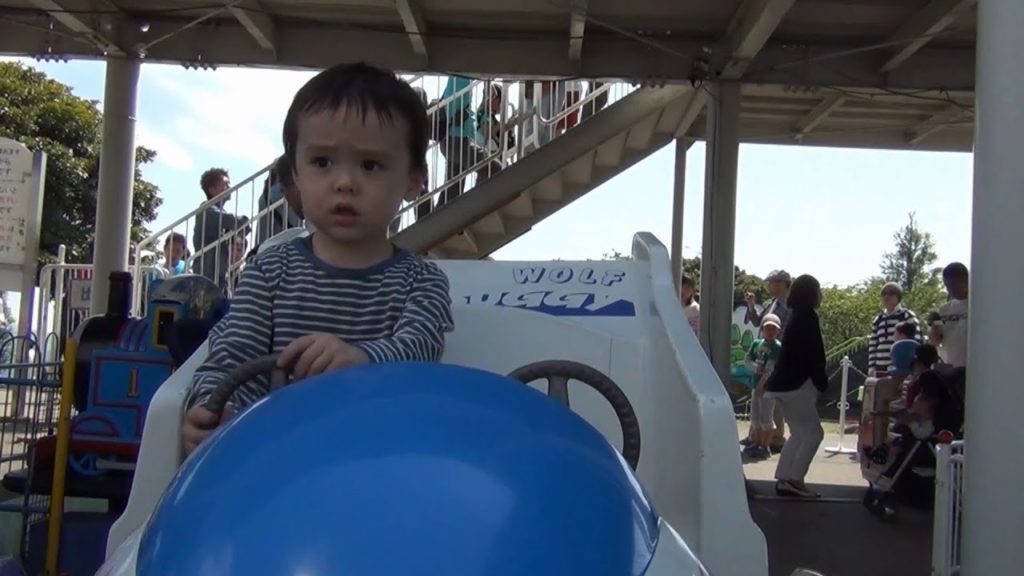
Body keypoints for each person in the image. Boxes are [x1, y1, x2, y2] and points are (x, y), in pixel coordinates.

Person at [181, 62, 455, 455]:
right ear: (295, 175)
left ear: (414, 180)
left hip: (379, 458)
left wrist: (361, 358)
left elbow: (421, 348)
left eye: (370, 165)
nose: (344, 182)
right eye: (322, 162)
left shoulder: (422, 281)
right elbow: (231, 360)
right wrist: (213, 412)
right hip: (276, 458)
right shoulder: (268, 272)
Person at [764, 274, 827, 498]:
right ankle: (795, 478)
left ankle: (784, 477)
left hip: (780, 384)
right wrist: (822, 383)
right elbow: (815, 354)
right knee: (814, 433)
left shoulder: (795, 316)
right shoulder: (808, 317)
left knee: (800, 432)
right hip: (795, 385)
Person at [745, 269, 792, 453]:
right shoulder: (772, 303)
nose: (770, 286)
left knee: (773, 402)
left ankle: (775, 439)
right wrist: (751, 305)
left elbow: (785, 333)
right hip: (762, 356)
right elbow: (758, 322)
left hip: (776, 358)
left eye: (773, 282)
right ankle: (756, 437)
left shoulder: (788, 306)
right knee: (760, 403)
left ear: (783, 284)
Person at [192, 167, 250, 289]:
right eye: (225, 184)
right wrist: (244, 222)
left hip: (219, 275)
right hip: (207, 276)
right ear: (212, 190)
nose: (230, 187)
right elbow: (240, 223)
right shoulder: (208, 210)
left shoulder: (218, 213)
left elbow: (243, 230)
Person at [741, 314, 783, 461]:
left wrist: (762, 385)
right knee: (756, 417)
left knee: (766, 418)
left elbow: (771, 368)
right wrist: (755, 368)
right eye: (767, 328)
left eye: (773, 329)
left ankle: (765, 446)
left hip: (769, 388)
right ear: (762, 329)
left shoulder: (777, 347)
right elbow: (747, 360)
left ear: (778, 331)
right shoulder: (756, 343)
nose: (770, 331)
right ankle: (756, 442)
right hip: (755, 383)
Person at [867, 282, 923, 376]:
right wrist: (872, 367)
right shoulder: (878, 319)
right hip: (880, 367)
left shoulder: (907, 316)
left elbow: (916, 342)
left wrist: (914, 368)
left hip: (902, 368)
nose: (887, 296)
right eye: (884, 294)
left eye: (891, 293)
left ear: (898, 297)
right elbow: (873, 344)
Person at [936, 263, 969, 367]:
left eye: (954, 284)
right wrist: (934, 332)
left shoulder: (979, 308)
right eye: (947, 286)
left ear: (966, 281)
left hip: (973, 369)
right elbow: (936, 340)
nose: (950, 290)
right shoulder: (943, 310)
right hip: (949, 368)